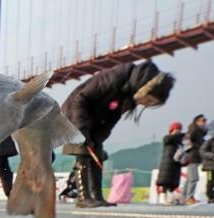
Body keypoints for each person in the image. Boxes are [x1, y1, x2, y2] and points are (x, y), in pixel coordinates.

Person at [61, 61, 175, 208]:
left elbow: (112, 119)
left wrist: (98, 138)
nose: (146, 104)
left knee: (97, 154)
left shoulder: (129, 95)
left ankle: (97, 196)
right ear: (145, 88)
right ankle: (84, 198)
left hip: (95, 120)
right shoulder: (115, 77)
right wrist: (82, 129)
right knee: (83, 153)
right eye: (149, 100)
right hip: (75, 113)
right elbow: (80, 99)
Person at [156, 122, 185, 205]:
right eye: (177, 129)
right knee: (165, 181)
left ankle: (170, 197)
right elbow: (169, 139)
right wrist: (180, 136)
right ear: (172, 130)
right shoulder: (168, 138)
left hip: (175, 164)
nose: (178, 131)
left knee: (173, 182)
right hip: (168, 163)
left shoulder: (179, 142)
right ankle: (163, 197)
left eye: (180, 129)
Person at [182, 114, 208, 205]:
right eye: (203, 120)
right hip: (193, 157)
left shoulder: (198, 131)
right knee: (193, 178)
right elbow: (188, 141)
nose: (205, 122)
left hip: (195, 157)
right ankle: (189, 197)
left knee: (189, 178)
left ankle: (184, 197)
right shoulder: (193, 130)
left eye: (205, 120)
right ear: (197, 121)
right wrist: (197, 147)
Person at [200, 136, 214, 204]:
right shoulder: (210, 140)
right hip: (210, 166)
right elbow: (202, 151)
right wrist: (212, 156)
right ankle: (210, 197)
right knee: (210, 181)